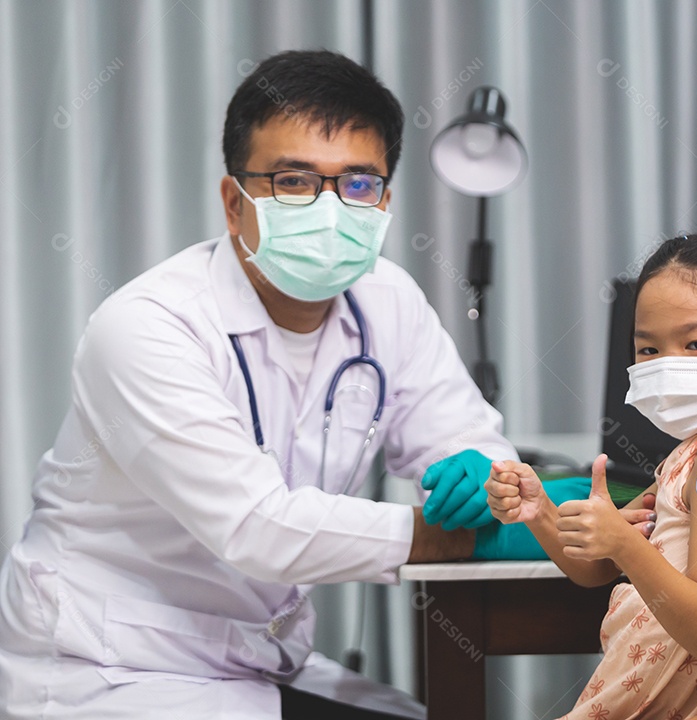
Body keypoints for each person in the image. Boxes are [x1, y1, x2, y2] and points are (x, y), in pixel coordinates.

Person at [0, 49, 534, 719]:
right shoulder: (147, 327)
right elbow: (259, 528)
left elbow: (467, 436)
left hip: (249, 657)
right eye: (294, 181)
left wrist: (484, 473)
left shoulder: (388, 299)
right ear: (234, 201)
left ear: (385, 201)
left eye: (358, 183)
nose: (331, 208)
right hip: (112, 664)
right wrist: (451, 536)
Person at [487, 231, 697, 719]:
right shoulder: (693, 456)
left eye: (696, 343)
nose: (670, 364)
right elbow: (596, 567)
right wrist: (539, 510)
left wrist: (625, 545)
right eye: (648, 350)